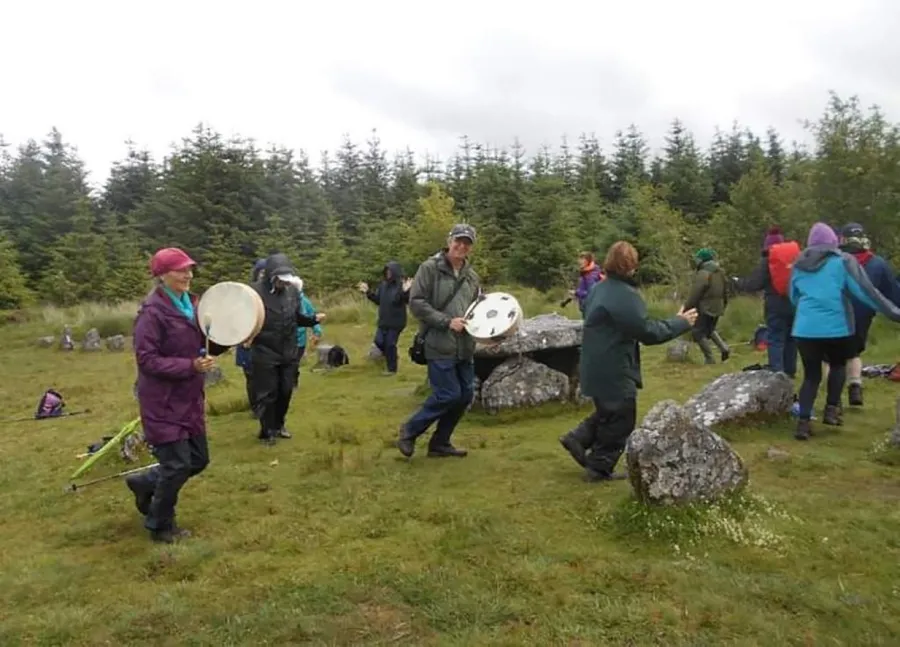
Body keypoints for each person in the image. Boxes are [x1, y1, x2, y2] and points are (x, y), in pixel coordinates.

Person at [559, 241, 697, 481]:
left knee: (608, 411)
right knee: (621, 418)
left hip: (594, 361)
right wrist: (681, 322)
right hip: (613, 366)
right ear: (631, 266)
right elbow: (647, 332)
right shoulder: (623, 295)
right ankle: (598, 467)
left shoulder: (600, 288)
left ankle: (578, 438)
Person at [127, 247, 229, 543]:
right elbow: (147, 359)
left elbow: (208, 343)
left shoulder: (193, 304)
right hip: (162, 401)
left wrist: (233, 337)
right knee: (177, 465)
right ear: (162, 276)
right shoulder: (152, 313)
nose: (188, 275)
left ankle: (145, 482)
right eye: (180, 270)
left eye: (189, 269)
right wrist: (190, 365)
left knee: (197, 460)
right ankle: (159, 525)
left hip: (189, 398)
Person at [789, 222, 900, 440]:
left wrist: (808, 315)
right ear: (834, 241)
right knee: (838, 365)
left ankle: (803, 423)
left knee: (811, 375)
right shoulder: (843, 261)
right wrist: (894, 313)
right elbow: (865, 292)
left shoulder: (798, 265)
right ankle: (831, 411)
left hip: (805, 328)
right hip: (836, 327)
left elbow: (794, 296)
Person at [397, 224, 481, 458]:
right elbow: (416, 302)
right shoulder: (430, 268)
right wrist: (446, 321)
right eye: (458, 240)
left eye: (467, 243)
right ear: (449, 240)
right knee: (448, 394)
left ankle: (440, 443)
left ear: (471, 247)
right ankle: (409, 431)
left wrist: (487, 333)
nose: (462, 246)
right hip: (438, 342)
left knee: (464, 396)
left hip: (465, 347)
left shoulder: (472, 276)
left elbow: (477, 309)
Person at [248, 252, 326, 445]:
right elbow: (243, 316)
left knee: (285, 390)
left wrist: (312, 319)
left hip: (288, 349)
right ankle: (267, 431)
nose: (283, 284)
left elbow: (296, 317)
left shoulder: (292, 292)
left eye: (286, 279)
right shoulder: (254, 292)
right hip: (264, 350)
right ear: (271, 276)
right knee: (268, 392)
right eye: (280, 280)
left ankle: (279, 425)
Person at [837, 222, 900, 406]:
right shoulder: (878, 263)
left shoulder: (836, 260)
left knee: (833, 356)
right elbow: (893, 293)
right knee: (854, 350)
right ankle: (855, 385)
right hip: (863, 314)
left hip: (837, 312)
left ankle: (835, 398)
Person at [731, 226, 800, 377]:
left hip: (775, 305)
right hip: (794, 303)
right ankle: (790, 371)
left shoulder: (768, 261)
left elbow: (753, 284)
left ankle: (776, 372)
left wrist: (737, 282)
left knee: (775, 337)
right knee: (791, 338)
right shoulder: (793, 259)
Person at [358, 261, 413, 375]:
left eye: (390, 271)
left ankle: (392, 369)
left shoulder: (400, 285)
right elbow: (378, 300)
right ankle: (391, 356)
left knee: (390, 344)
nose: (388, 274)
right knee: (379, 342)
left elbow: (401, 300)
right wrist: (367, 292)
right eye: (386, 271)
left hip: (396, 321)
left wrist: (405, 291)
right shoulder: (383, 285)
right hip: (383, 321)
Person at [682, 247, 730, 364]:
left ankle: (709, 359)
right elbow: (727, 291)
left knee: (697, 332)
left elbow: (696, 292)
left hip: (705, 307)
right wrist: (724, 305)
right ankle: (724, 348)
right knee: (710, 329)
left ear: (702, 260)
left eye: (697, 258)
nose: (696, 261)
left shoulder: (704, 273)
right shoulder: (720, 272)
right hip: (718, 306)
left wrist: (686, 308)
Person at [236, 259, 267, 410]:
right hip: (247, 341)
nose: (263, 276)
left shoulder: (273, 294)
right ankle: (255, 406)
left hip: (266, 343)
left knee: (265, 377)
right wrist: (246, 338)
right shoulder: (247, 293)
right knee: (251, 376)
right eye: (261, 272)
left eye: (266, 273)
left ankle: (265, 406)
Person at [294, 286, 323, 390]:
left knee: (294, 363)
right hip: (282, 339)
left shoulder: (305, 302)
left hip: (299, 339)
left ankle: (293, 385)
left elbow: (312, 317)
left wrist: (317, 332)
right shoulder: (280, 300)